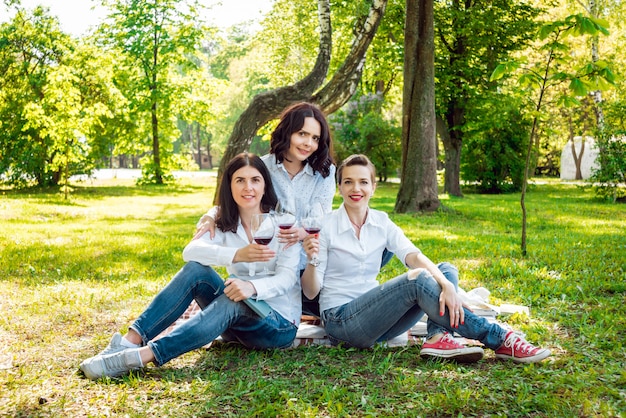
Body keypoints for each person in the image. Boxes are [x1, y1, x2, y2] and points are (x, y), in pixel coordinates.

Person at [300, 154, 551, 363]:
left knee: (444, 270)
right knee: (418, 280)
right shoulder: (327, 226)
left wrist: (447, 285)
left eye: (363, 182)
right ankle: (500, 339)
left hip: (378, 322)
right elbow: (311, 293)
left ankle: (436, 337)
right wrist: (312, 259)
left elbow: (414, 256)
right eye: (348, 182)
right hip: (341, 322)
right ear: (340, 187)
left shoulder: (381, 221)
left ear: (373, 187)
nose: (356, 189)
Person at [79, 153, 302, 380]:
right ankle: (128, 342)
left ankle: (137, 358)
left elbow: (287, 278)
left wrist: (252, 287)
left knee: (234, 297)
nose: (248, 187)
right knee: (197, 270)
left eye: (255, 180)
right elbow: (190, 252)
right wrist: (236, 254)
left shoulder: (285, 225)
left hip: (278, 325)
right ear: (229, 186)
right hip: (234, 326)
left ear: (265, 185)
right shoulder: (223, 223)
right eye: (240, 180)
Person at [195, 102, 336, 316]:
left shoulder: (324, 172)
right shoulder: (263, 166)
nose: (308, 143)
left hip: (311, 262)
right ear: (287, 132)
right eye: (302, 134)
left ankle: (310, 301)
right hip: (274, 264)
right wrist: (211, 214)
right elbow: (240, 196)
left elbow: (324, 220)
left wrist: (301, 233)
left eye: (315, 138)